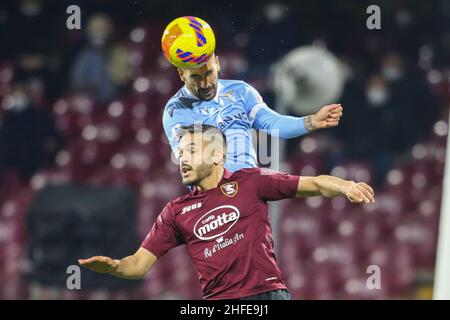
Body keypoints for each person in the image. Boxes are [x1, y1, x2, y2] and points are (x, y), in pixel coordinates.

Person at [79, 124, 375, 300]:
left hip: (266, 294)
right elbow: (139, 265)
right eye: (181, 153)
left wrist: (345, 186)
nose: (184, 159)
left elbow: (317, 183)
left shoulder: (252, 182)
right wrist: (114, 267)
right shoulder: (175, 212)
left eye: (192, 150)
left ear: (218, 154)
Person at [163, 51, 343, 172]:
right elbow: (191, 165)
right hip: (213, 203)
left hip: (250, 194)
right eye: (195, 77)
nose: (205, 83)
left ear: (217, 64)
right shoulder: (176, 111)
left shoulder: (241, 91)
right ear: (182, 75)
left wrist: (310, 121)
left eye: (209, 73)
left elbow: (271, 123)